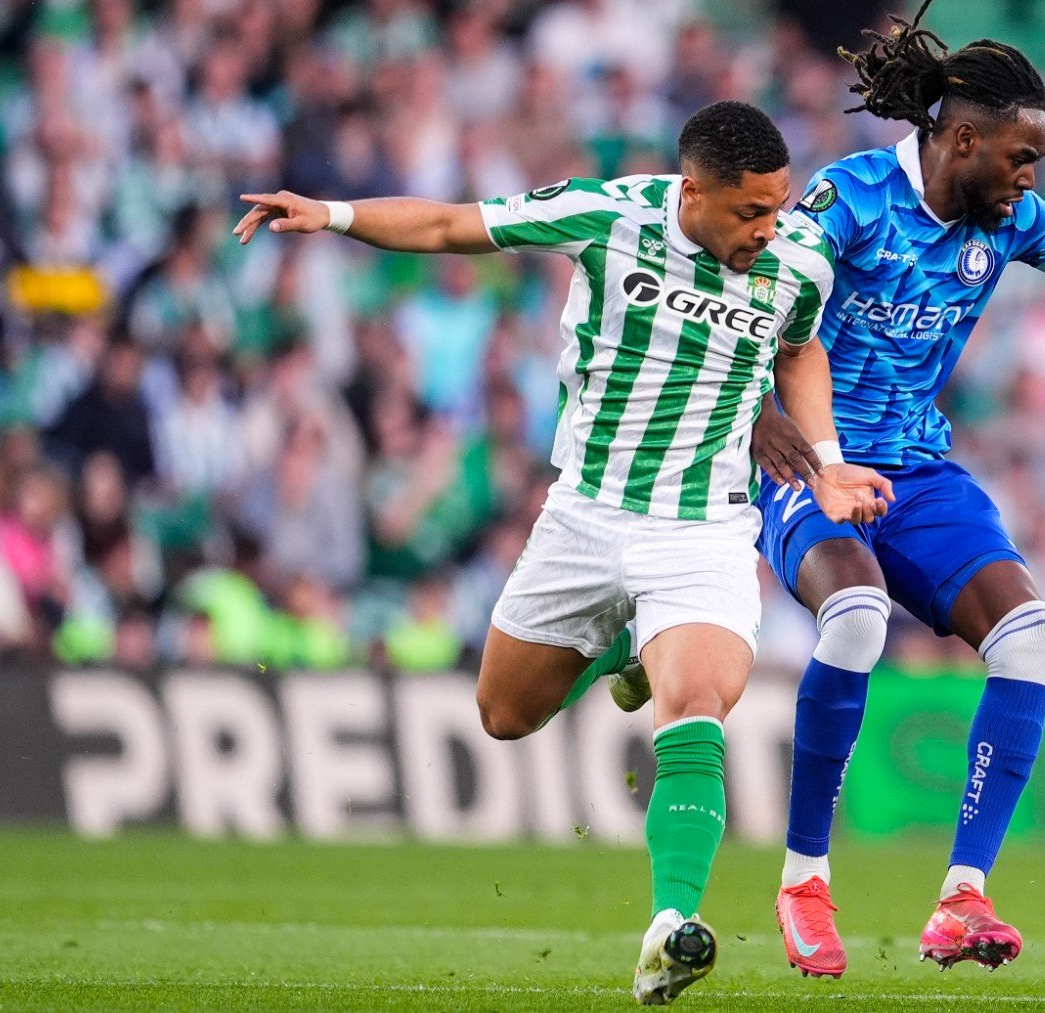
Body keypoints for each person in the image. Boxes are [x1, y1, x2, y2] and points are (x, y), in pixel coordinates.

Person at [604, 1, 1045, 978]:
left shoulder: (1011, 220)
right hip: (805, 461)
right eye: (1020, 157)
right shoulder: (846, 204)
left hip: (917, 465)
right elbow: (752, 310)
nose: (1030, 178)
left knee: (1031, 631)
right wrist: (772, 428)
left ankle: (963, 894)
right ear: (961, 139)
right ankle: (805, 876)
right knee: (856, 611)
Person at [232, 100, 892, 1006]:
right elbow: (450, 223)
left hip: (701, 526)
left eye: (777, 210)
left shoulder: (798, 262)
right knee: (505, 713)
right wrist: (332, 215)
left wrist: (823, 463)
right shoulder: (610, 216)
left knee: (693, 703)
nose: (767, 231)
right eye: (750, 212)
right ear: (692, 191)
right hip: (584, 518)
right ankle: (625, 649)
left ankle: (669, 928)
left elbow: (800, 347)